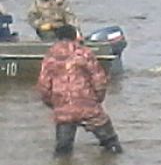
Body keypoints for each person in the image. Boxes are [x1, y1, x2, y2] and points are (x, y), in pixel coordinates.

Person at [37, 25, 122, 156]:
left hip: (63, 106)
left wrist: (53, 103)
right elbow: (99, 79)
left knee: (62, 151)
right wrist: (98, 99)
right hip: (87, 104)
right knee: (111, 144)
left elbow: (44, 86)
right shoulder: (84, 53)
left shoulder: (50, 56)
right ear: (74, 36)